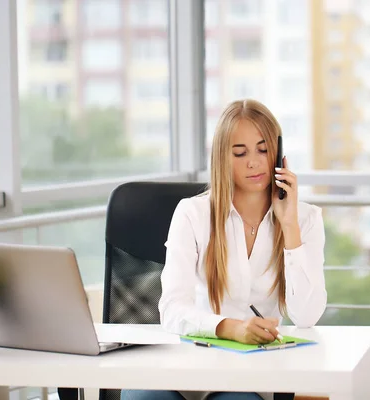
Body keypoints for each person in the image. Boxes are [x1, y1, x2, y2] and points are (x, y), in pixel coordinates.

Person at [121, 99, 327, 400]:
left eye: (263, 149)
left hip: (251, 378)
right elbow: (172, 310)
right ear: (222, 159)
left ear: (278, 154)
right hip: (190, 367)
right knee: (143, 398)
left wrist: (290, 226)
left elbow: (307, 316)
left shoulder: (306, 219)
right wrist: (230, 328)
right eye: (240, 153)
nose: (254, 162)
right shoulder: (193, 214)